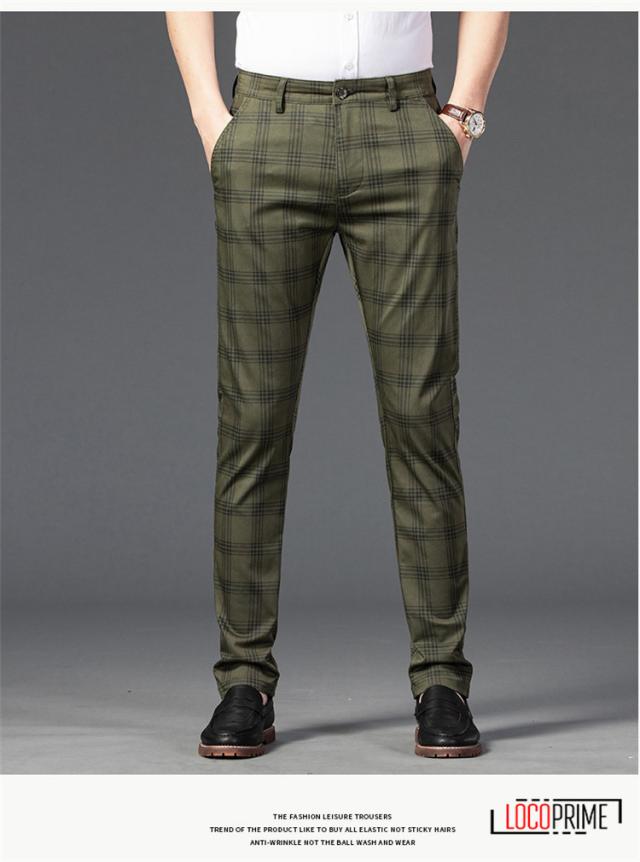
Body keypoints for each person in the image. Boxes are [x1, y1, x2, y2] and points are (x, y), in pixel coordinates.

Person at [165, 10, 509, 759]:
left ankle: (442, 681)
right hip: (268, 124)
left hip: (404, 123)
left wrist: (461, 116)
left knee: (422, 415)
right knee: (253, 418)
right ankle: (244, 680)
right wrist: (209, 118)